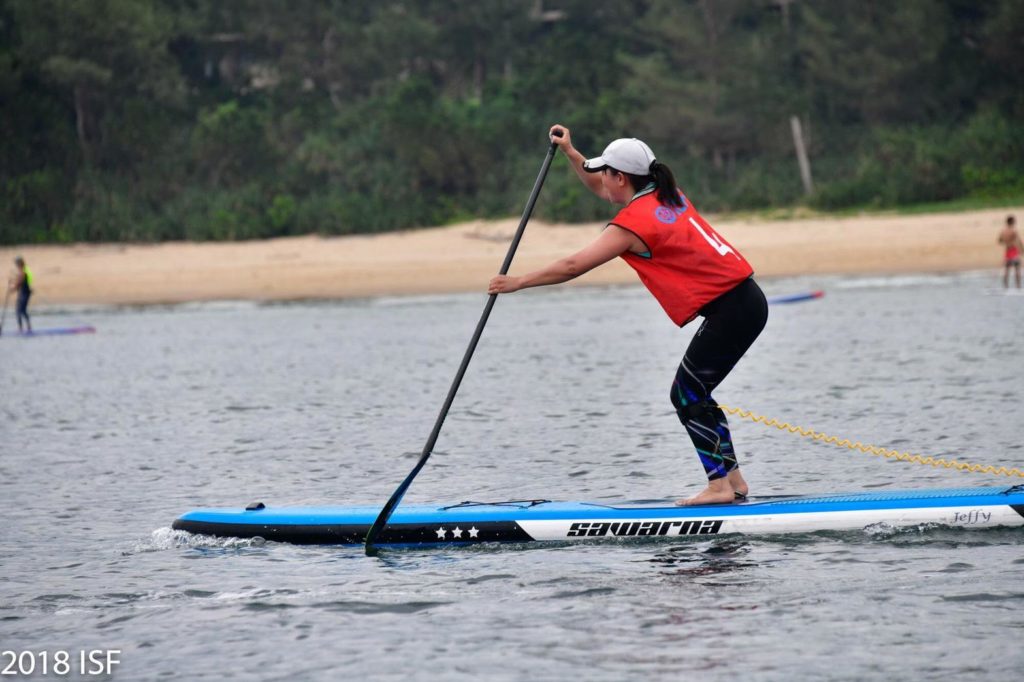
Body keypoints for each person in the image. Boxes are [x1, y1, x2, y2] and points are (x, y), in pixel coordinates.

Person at [488, 125, 768, 505]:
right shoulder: (667, 195)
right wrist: (571, 152)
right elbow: (601, 189)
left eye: (605, 173)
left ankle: (719, 486)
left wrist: (518, 281)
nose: (601, 181)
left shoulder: (632, 225)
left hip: (733, 310)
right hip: (747, 302)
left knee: (686, 394)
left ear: (620, 177)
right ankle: (733, 483)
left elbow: (573, 265)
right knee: (695, 392)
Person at [9, 256, 33, 333]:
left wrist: (12, 289)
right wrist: (12, 281)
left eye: (17, 263)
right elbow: (17, 281)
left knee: (22, 310)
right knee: (18, 311)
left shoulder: (22, 272)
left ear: (20, 264)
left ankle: (27, 328)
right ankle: (21, 328)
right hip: (22, 293)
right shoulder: (20, 272)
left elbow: (19, 283)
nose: (16, 265)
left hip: (25, 293)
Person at [998, 215, 1021, 289]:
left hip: (1007, 252)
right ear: (1012, 222)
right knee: (1017, 269)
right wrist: (1022, 249)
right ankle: (1018, 286)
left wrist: (1006, 242)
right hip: (1014, 251)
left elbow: (1000, 241)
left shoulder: (1003, 232)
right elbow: (1019, 241)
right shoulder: (1013, 231)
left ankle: (1005, 286)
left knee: (1007, 271)